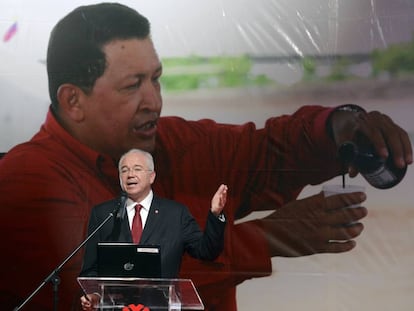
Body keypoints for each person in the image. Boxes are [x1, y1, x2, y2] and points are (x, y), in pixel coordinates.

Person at [0, 2, 411, 311]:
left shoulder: (174, 143)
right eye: (132, 86)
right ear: (73, 101)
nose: (154, 101)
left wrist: (340, 129)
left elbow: (265, 153)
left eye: (156, 79)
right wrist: (266, 239)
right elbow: (110, 288)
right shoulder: (24, 182)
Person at [79, 148, 227, 310]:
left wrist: (215, 215)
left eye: (137, 169)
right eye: (124, 170)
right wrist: (94, 295)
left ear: (152, 176)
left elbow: (206, 251)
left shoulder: (175, 214)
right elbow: (90, 268)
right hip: (115, 307)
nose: (130, 175)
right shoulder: (104, 214)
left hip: (161, 306)